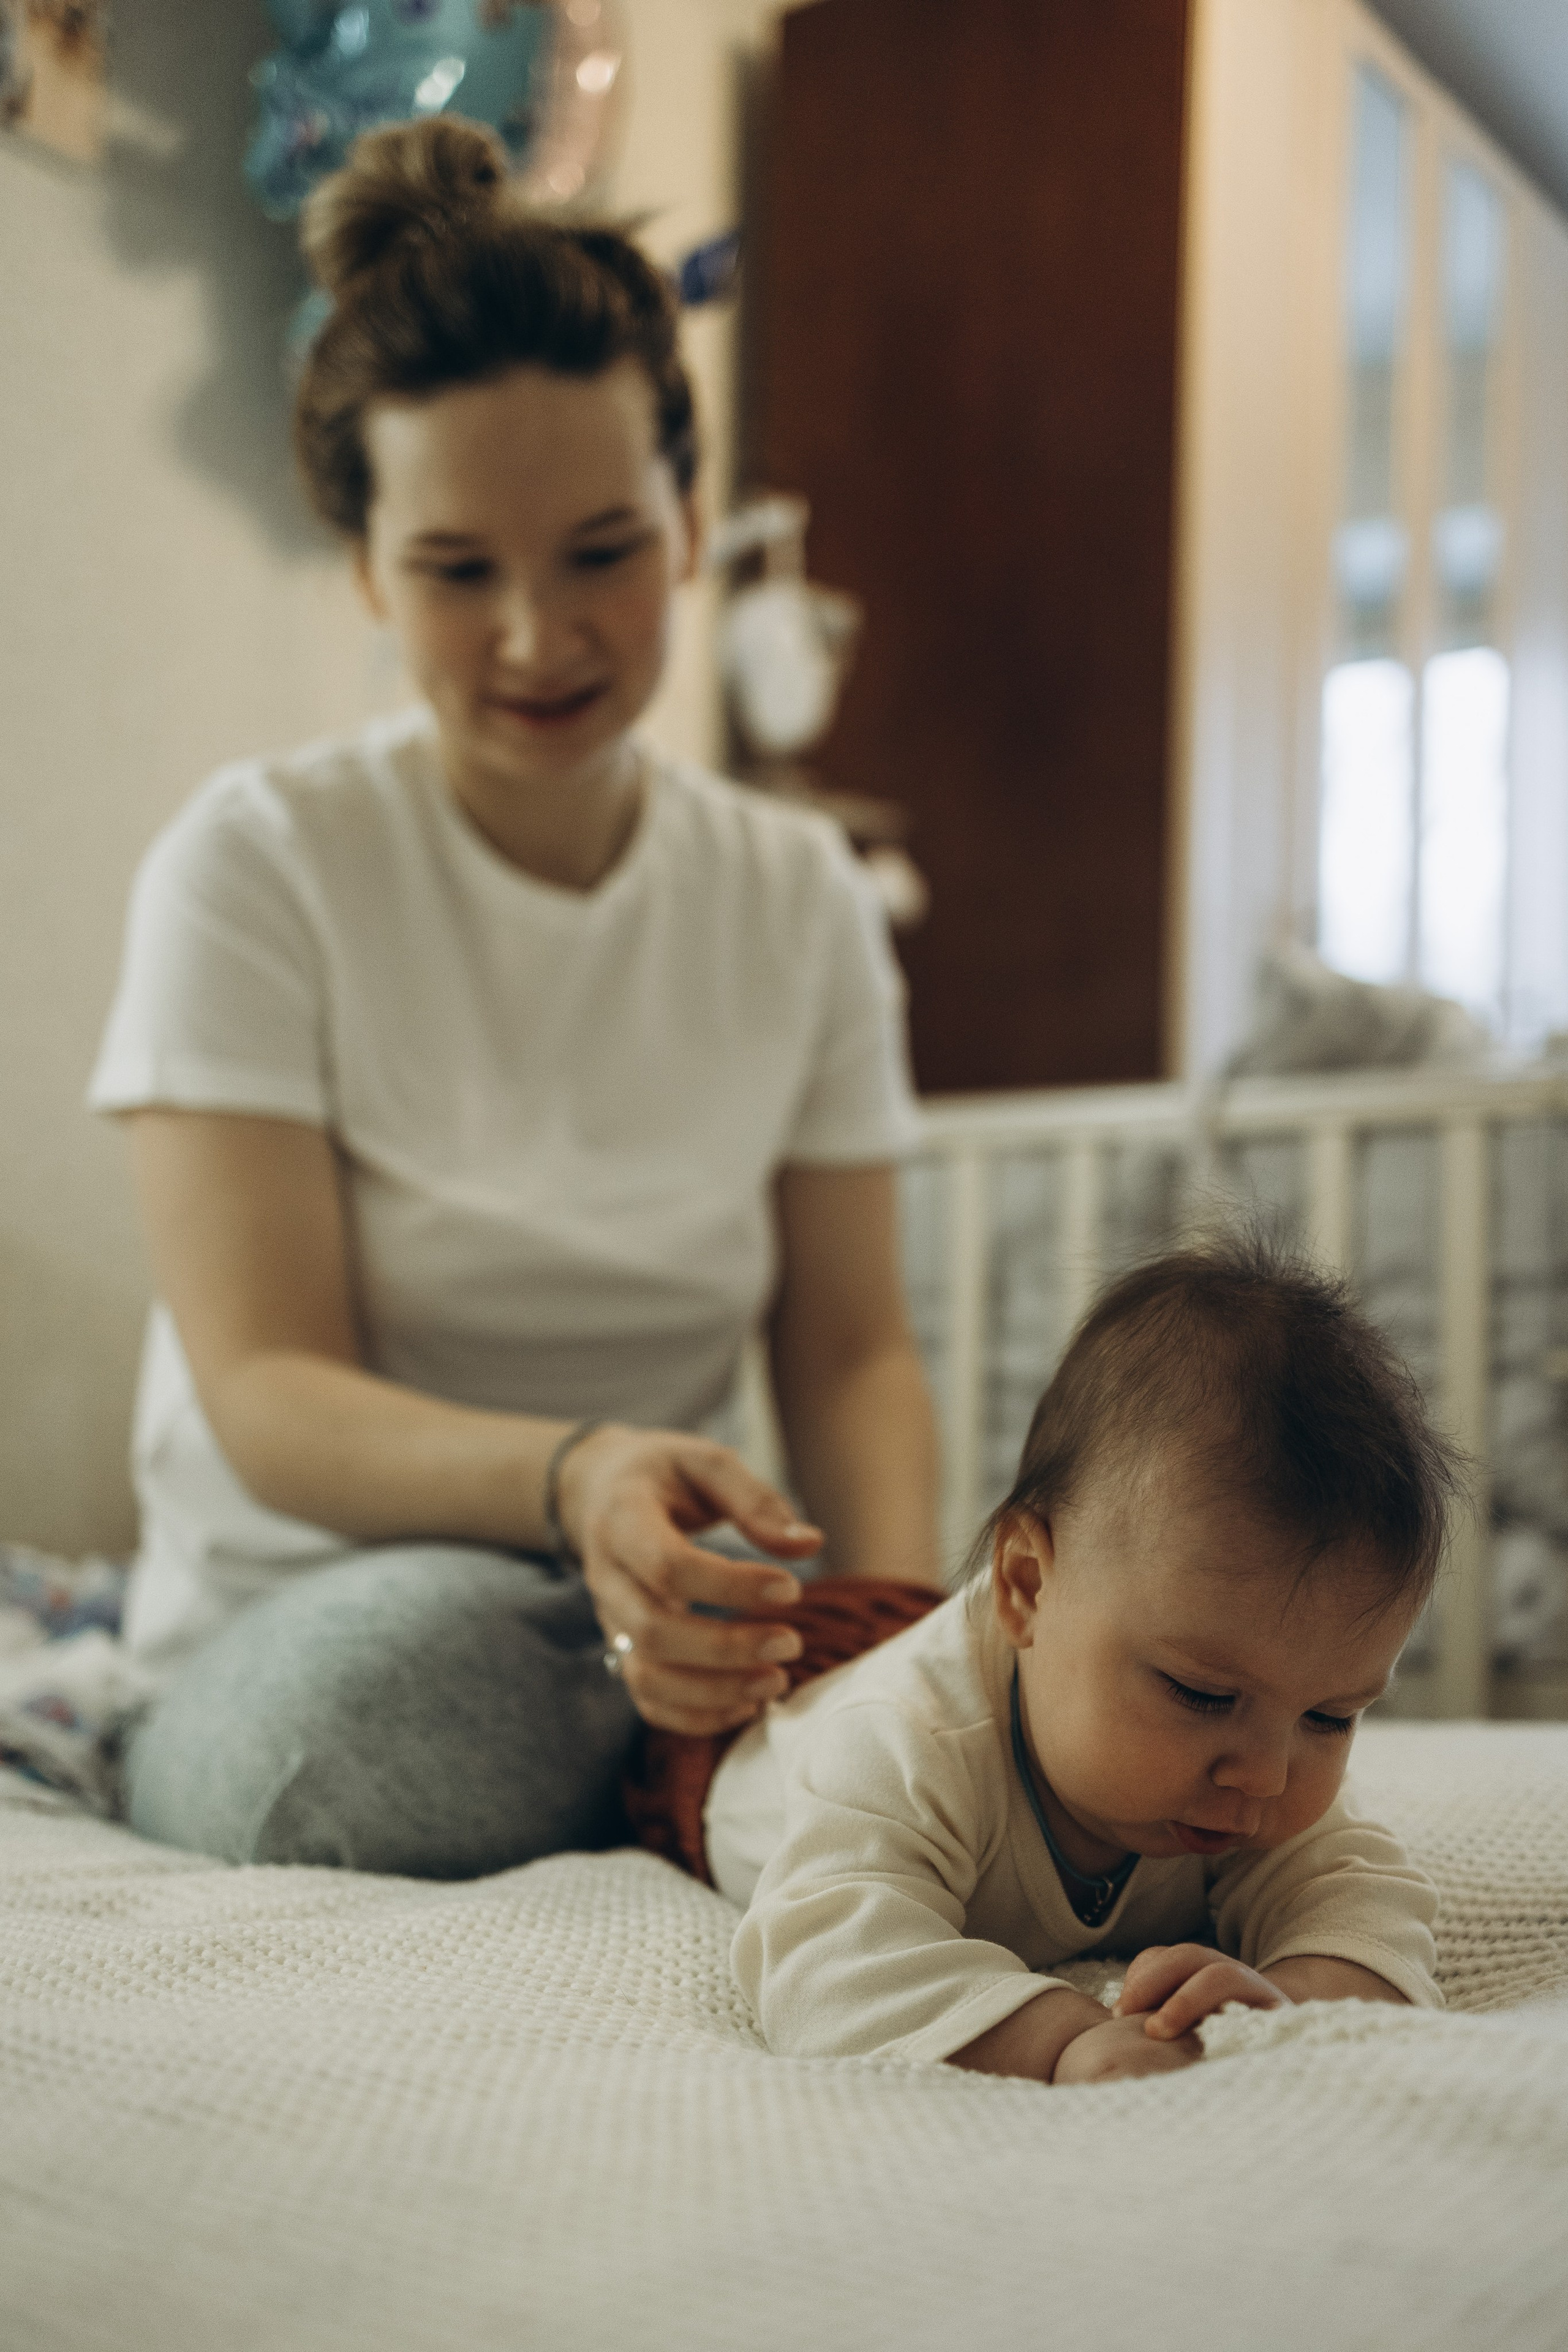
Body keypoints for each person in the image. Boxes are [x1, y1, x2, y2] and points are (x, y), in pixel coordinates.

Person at [89, 116, 941, 1876]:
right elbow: (264, 1386)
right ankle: (674, 1742)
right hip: (323, 1616)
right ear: (362, 570)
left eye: (605, 551)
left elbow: (853, 1349)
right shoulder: (255, 867)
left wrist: (899, 1645)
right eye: (459, 572)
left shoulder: (795, 900)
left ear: (694, 524)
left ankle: (715, 1725)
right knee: (387, 1725)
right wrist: (578, 1478)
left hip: (664, 1598)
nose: (540, 639)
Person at [626, 1238, 1460, 2082]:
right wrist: (1063, 2036)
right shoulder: (904, 1742)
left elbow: (1365, 1904)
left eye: (1333, 1716)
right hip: (728, 1745)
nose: (1269, 1775)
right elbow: (824, 1961)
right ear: (1026, 1584)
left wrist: (1293, 1996)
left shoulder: (1254, 1739)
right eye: (1201, 1694)